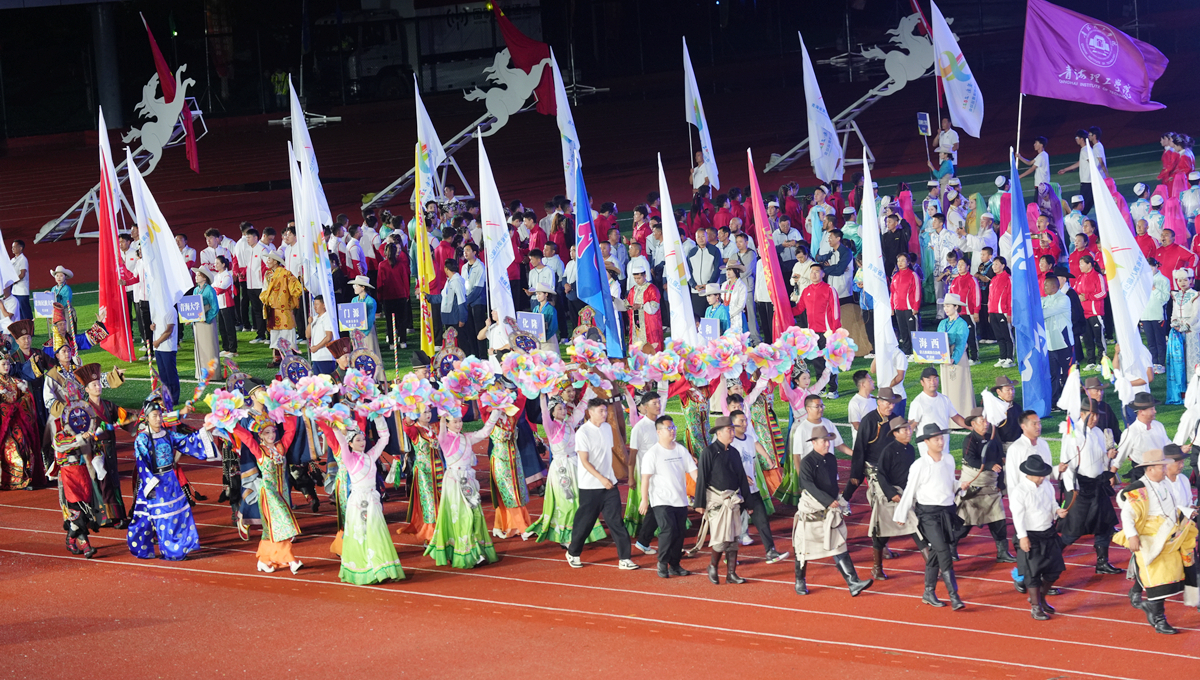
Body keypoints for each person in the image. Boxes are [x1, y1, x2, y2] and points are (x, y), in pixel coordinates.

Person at [1112, 448, 1196, 634]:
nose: (1166, 470)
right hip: (1151, 539)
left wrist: (1187, 513)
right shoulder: (1139, 489)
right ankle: (1158, 619)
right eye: (1162, 467)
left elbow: (1173, 507)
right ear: (1150, 469)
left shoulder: (1164, 483)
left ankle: (1150, 604)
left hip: (1169, 536)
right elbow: (1127, 514)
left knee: (1171, 574)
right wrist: (1132, 535)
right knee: (1157, 577)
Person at [127, 395, 217, 561]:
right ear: (146, 418)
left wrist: (204, 431)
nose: (158, 418)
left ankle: (175, 551)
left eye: (160, 415)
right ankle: (142, 548)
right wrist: (150, 484)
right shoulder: (142, 439)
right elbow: (142, 462)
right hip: (153, 483)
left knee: (176, 514)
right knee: (146, 519)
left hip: (170, 480)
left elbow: (187, 441)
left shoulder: (167, 435)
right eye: (154, 415)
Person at [320, 416, 405, 584]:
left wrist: (379, 417)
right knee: (362, 534)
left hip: (372, 499)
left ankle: (381, 568)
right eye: (358, 440)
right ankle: (366, 571)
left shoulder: (370, 456)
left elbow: (384, 438)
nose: (362, 442)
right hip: (359, 502)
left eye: (363, 439)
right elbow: (341, 443)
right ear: (350, 444)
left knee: (376, 533)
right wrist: (336, 429)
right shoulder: (349, 458)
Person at [793, 424, 873, 596]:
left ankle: (853, 582)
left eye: (828, 441)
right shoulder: (806, 462)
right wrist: (828, 501)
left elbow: (832, 483)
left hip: (829, 512)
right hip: (811, 512)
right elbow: (807, 485)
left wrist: (837, 498)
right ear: (814, 442)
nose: (828, 444)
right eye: (824, 441)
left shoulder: (830, 458)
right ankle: (800, 581)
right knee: (802, 549)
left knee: (839, 545)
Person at [894, 424, 966, 610]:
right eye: (936, 439)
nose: (941, 442)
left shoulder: (949, 459)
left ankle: (928, 592)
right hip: (928, 515)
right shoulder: (919, 465)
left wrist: (960, 486)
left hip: (947, 512)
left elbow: (950, 483)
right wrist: (901, 513)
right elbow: (910, 490)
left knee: (935, 552)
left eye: (942, 438)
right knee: (943, 551)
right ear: (926, 442)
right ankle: (954, 596)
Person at [525, 394, 606, 547]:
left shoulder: (569, 424)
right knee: (566, 502)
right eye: (559, 409)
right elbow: (544, 411)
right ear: (552, 412)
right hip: (560, 469)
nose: (563, 411)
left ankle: (579, 532)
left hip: (574, 466)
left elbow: (581, 409)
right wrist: (542, 397)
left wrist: (590, 389)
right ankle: (565, 537)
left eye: (563, 408)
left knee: (578, 499)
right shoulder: (550, 427)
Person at [567, 397, 638, 570]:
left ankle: (625, 558)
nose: (604, 413)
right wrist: (601, 478)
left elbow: (607, 454)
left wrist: (610, 477)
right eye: (601, 411)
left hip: (609, 485)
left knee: (616, 521)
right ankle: (573, 552)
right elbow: (584, 461)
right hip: (590, 486)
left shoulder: (607, 428)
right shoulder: (583, 433)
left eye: (605, 410)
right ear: (590, 412)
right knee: (585, 522)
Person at [426, 409, 503, 568]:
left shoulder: (467, 438)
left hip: (468, 481)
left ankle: (476, 550)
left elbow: (485, 431)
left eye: (460, 421)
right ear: (447, 423)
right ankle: (469, 553)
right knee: (462, 516)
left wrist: (496, 411)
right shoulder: (444, 439)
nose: (459, 424)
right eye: (455, 422)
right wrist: (443, 416)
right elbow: (441, 433)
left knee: (475, 515)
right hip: (454, 482)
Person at [1058, 400, 1124, 575]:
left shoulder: (1097, 433)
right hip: (1080, 487)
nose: (1094, 418)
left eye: (1096, 415)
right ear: (1082, 414)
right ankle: (1049, 558)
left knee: (1104, 524)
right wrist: (1072, 488)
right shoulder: (1072, 435)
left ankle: (1102, 562)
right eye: (1091, 415)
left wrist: (1108, 457)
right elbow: (1066, 463)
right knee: (1073, 529)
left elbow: (1100, 459)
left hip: (1098, 485)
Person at [232, 415, 303, 574]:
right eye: (267, 432)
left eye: (273, 431)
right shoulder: (260, 451)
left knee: (269, 529)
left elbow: (291, 431)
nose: (271, 435)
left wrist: (289, 412)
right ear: (261, 436)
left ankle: (264, 560)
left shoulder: (281, 447)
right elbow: (247, 438)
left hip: (282, 493)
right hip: (269, 494)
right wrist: (231, 423)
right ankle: (291, 560)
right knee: (284, 523)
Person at [638, 415, 699, 578]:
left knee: (679, 532)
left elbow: (693, 472)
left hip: (680, 499)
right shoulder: (652, 453)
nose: (672, 431)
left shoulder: (680, 450)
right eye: (669, 428)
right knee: (668, 530)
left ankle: (675, 564)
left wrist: (703, 489)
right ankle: (662, 562)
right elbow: (645, 479)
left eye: (673, 427)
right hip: (661, 500)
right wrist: (644, 500)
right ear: (659, 432)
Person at [1010, 454, 1068, 621]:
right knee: (1032, 573)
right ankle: (1036, 607)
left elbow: (1052, 503)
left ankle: (1040, 597)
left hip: (1048, 532)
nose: (1042, 477)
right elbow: (1017, 516)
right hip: (1030, 535)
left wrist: (1057, 511)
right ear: (1029, 474)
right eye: (1039, 475)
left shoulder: (1047, 485)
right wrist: (1023, 537)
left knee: (1055, 570)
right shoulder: (1019, 492)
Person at [694, 416, 750, 585]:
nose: (732, 433)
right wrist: (699, 504)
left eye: (733, 429)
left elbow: (741, 478)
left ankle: (731, 573)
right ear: (718, 433)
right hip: (717, 501)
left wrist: (748, 503)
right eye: (729, 430)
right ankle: (713, 565)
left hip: (733, 500)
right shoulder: (708, 452)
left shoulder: (734, 452)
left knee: (734, 538)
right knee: (721, 538)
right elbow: (702, 478)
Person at [956, 408, 1016, 563]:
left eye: (986, 420)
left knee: (999, 521)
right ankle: (950, 547)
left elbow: (1000, 460)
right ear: (973, 424)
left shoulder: (993, 438)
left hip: (991, 487)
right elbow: (970, 460)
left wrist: (1001, 483)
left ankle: (1002, 552)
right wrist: (989, 465)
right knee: (964, 525)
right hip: (974, 488)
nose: (985, 424)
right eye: (982, 421)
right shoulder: (969, 440)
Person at [75, 363, 132, 526]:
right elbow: (77, 430)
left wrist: (144, 419)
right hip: (94, 451)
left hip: (110, 449)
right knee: (102, 481)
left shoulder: (108, 405)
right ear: (87, 389)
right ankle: (107, 517)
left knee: (113, 480)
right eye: (94, 385)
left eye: (99, 383)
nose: (98, 386)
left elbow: (125, 418)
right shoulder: (82, 409)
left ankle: (117, 515)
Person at [867, 416, 920, 580]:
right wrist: (892, 494)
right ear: (895, 433)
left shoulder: (910, 449)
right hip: (890, 497)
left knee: (917, 529)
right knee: (882, 534)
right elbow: (881, 475)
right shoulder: (888, 451)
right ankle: (877, 568)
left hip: (906, 496)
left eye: (909, 428)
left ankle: (935, 568)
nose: (909, 432)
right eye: (904, 429)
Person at [844, 386, 901, 506]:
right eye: (888, 403)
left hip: (890, 462)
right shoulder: (868, 421)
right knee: (858, 482)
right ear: (879, 402)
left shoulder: (895, 419)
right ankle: (843, 501)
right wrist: (855, 473)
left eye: (893, 403)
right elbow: (859, 447)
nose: (891, 406)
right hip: (872, 463)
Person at [1114, 393, 1173, 479]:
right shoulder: (1130, 433)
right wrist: (1111, 475)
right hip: (1141, 474)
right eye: (1152, 409)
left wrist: (1179, 449)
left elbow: (1167, 444)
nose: (1155, 411)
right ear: (1141, 412)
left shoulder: (1159, 426)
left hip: (1161, 471)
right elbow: (1120, 457)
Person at [260, 251, 303, 367]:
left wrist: (301, 283)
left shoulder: (286, 274)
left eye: (269, 259)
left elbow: (295, 289)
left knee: (287, 333)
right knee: (275, 334)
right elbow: (264, 289)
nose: (267, 261)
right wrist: (266, 298)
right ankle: (277, 359)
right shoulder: (268, 274)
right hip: (273, 309)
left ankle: (291, 358)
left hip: (284, 309)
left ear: (275, 261)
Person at [935, 294, 975, 415]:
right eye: (944, 306)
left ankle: (963, 414)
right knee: (947, 386)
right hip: (944, 356)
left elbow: (961, 343)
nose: (945, 309)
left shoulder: (961, 324)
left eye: (948, 306)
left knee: (959, 386)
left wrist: (953, 359)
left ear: (956, 306)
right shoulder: (943, 323)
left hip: (957, 357)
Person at [1041, 277, 1074, 405]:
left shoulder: (1063, 299)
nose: (1044, 288)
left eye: (1046, 285)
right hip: (1050, 345)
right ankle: (1054, 401)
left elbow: (1044, 313)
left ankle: (1069, 400)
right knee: (1053, 375)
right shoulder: (1045, 299)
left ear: (1054, 286)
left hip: (1063, 343)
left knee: (1067, 374)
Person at [1141, 258, 1170, 374]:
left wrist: (1154, 289)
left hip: (1158, 315)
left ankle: (1161, 363)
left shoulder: (1164, 280)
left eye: (1151, 268)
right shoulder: (1142, 280)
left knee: (1160, 341)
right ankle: (1154, 362)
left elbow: (1165, 298)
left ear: (1156, 266)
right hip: (1145, 315)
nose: (1149, 271)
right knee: (1150, 341)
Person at [189, 266, 220, 378]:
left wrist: (206, 318)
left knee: (209, 346)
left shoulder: (210, 290)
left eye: (198, 275)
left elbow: (215, 307)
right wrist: (190, 319)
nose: (196, 277)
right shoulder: (195, 290)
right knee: (200, 347)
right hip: (198, 322)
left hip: (207, 322)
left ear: (205, 278)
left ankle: (212, 374)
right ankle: (201, 372)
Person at [890, 253, 921, 354]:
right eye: (898, 261)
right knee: (902, 330)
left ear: (908, 262)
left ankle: (916, 351)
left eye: (903, 260)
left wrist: (915, 307)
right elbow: (892, 293)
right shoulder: (895, 276)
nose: (900, 263)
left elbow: (917, 292)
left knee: (912, 330)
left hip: (910, 308)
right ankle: (907, 351)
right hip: (898, 308)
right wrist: (892, 308)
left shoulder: (913, 275)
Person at [212, 256, 238, 357]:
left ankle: (233, 349)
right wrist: (215, 288)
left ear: (223, 264)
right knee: (222, 328)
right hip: (220, 305)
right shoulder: (217, 276)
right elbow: (214, 288)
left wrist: (215, 288)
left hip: (227, 304)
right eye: (215, 263)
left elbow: (220, 290)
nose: (215, 265)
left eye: (217, 263)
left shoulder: (227, 275)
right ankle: (226, 348)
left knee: (229, 327)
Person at [532, 283, 560, 353]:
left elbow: (553, 327)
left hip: (549, 338)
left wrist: (545, 337)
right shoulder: (536, 308)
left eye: (539, 294)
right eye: (536, 294)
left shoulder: (551, 309)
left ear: (546, 294)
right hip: (538, 337)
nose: (537, 296)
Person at [10, 240, 29, 322]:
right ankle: (21, 328)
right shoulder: (13, 260)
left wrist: (13, 281)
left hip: (22, 291)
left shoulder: (23, 259)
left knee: (25, 312)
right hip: (14, 291)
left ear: (20, 248)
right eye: (12, 247)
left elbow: (22, 274)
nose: (12, 249)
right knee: (18, 312)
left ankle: (29, 328)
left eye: (14, 247)